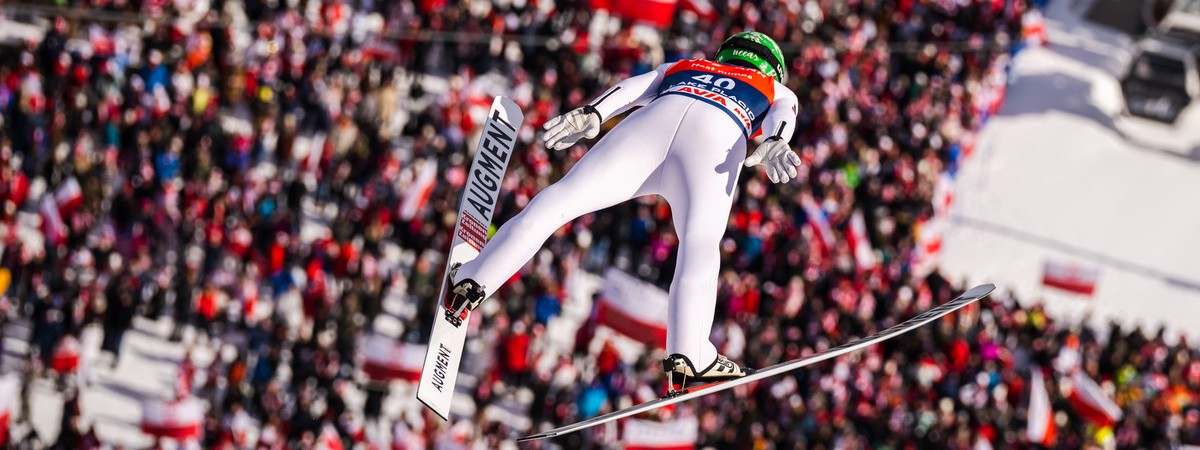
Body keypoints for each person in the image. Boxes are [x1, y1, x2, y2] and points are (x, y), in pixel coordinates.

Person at [445, 32, 801, 387]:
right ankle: (688, 350)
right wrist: (777, 139)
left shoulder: (687, 64)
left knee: (561, 199)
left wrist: (594, 111)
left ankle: (475, 278)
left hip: (654, 122)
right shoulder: (771, 85)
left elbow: (634, 88)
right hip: (717, 137)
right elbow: (784, 110)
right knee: (699, 243)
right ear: (773, 68)